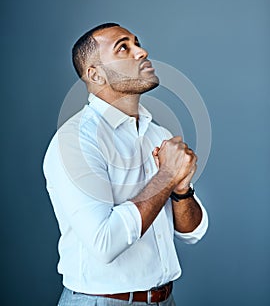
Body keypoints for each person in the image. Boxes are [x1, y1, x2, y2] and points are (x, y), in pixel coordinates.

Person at [43, 23, 208, 306]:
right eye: (124, 47)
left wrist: (180, 189)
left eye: (137, 43)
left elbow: (193, 232)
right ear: (96, 75)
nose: (142, 52)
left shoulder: (158, 135)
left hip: (165, 300)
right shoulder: (73, 142)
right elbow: (105, 243)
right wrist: (167, 175)